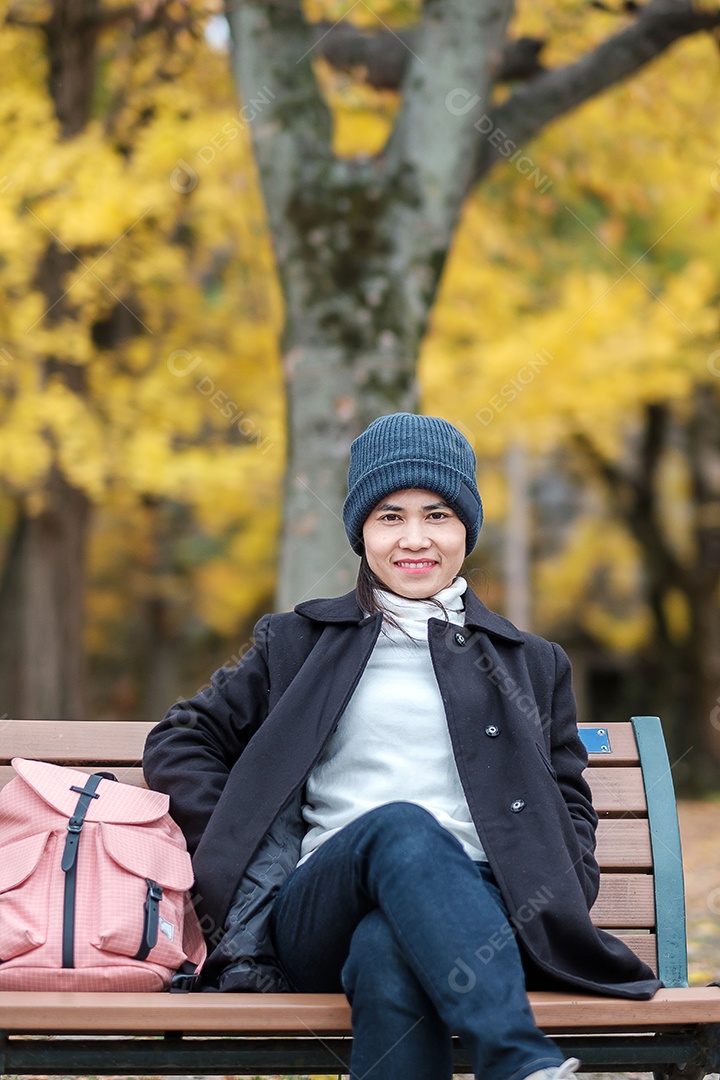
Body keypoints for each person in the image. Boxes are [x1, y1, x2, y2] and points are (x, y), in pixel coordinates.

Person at [143, 412, 661, 1080]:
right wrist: (242, 831)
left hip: (484, 912)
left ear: (465, 528)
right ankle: (517, 1058)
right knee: (401, 826)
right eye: (390, 517)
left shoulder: (531, 663)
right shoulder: (295, 644)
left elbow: (567, 796)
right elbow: (182, 738)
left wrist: (568, 868)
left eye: (437, 515)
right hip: (318, 904)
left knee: (387, 950)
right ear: (361, 530)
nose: (414, 539)